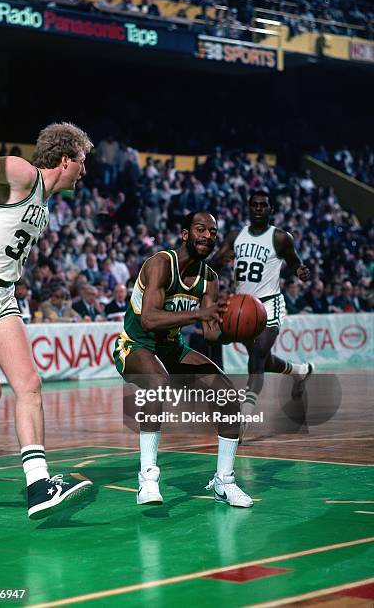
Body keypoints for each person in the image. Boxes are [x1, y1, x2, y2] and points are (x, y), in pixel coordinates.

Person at [0, 122, 93, 519]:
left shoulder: (45, 205)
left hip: (3, 296)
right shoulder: (22, 174)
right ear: (66, 159)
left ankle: (38, 486)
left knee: (30, 385)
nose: (84, 172)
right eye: (82, 162)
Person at [114, 211, 253, 508]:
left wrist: (240, 330)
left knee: (228, 397)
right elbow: (149, 319)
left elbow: (212, 333)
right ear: (185, 234)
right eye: (200, 229)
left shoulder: (209, 278)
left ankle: (223, 482)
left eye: (213, 232)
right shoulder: (161, 264)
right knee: (157, 383)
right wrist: (199, 314)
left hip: (171, 348)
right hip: (135, 344)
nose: (207, 236)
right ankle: (148, 479)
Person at [213, 191, 313, 439]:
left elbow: (294, 262)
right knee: (263, 361)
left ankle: (244, 419)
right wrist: (216, 262)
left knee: (256, 358)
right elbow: (215, 262)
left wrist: (300, 271)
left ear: (271, 209)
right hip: (242, 308)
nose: (258, 208)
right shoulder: (236, 236)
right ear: (248, 208)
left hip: (269, 304)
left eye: (263, 205)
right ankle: (299, 371)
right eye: (254, 204)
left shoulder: (280, 238)